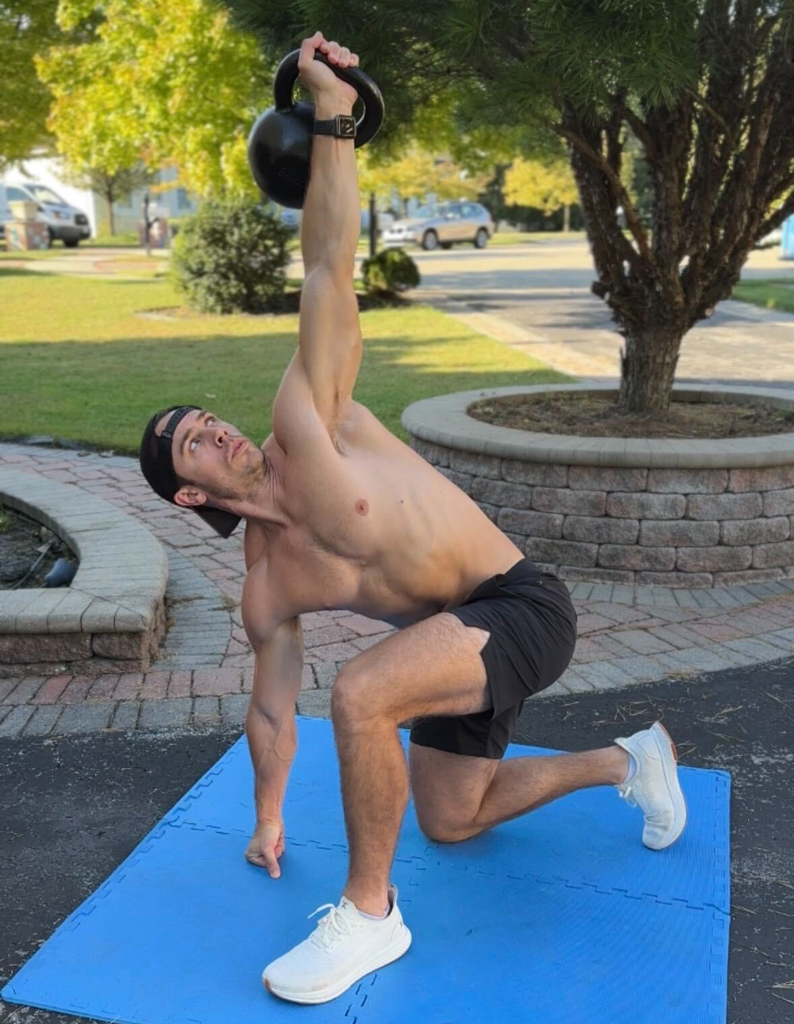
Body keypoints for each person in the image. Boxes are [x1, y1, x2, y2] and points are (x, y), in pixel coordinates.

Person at [139, 30, 687, 1006]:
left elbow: (326, 263)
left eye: (205, 419)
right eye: (192, 442)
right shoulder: (265, 587)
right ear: (189, 494)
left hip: (520, 606)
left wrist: (334, 115)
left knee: (360, 692)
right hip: (454, 644)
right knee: (450, 816)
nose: (214, 430)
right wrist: (267, 817)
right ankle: (627, 759)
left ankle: (369, 914)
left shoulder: (309, 420)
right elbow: (268, 707)